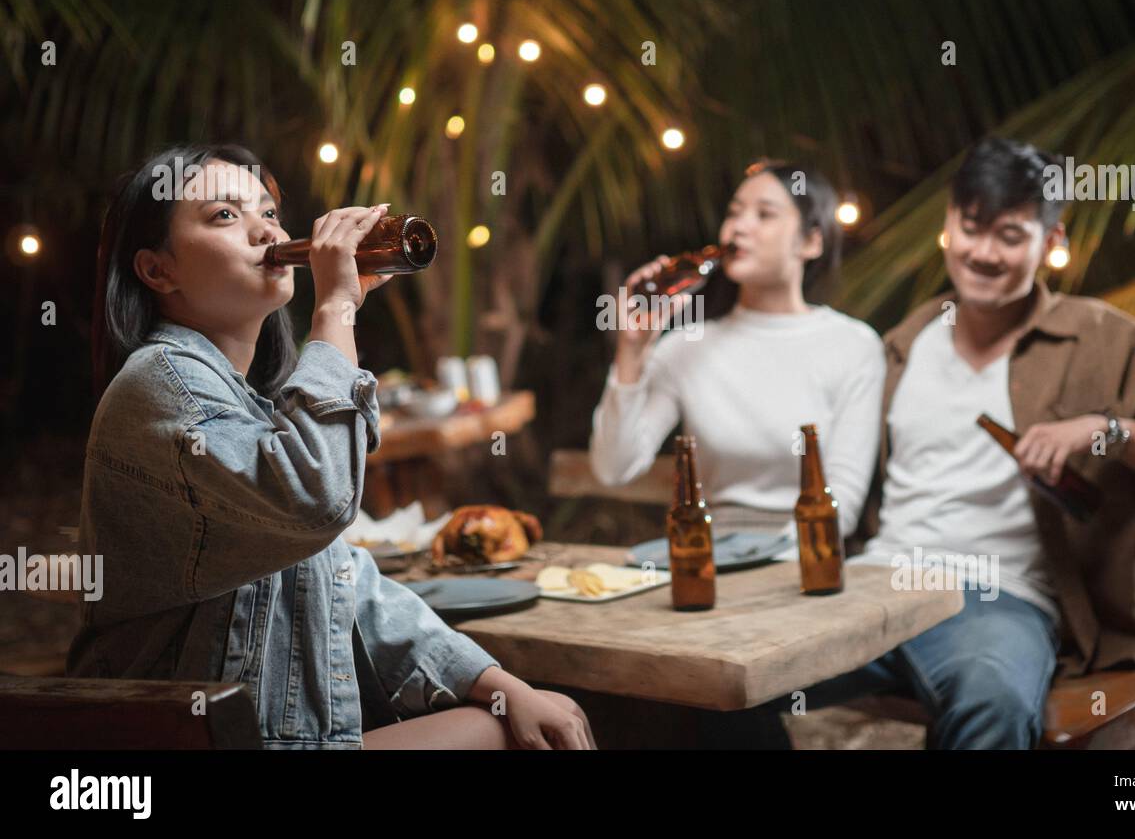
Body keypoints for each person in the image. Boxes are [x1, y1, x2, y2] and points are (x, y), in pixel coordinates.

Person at [67, 144, 595, 750]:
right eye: (224, 216)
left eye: (268, 210)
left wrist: (502, 684)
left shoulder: (245, 404)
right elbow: (316, 495)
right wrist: (337, 306)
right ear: (159, 270)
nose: (267, 230)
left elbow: (351, 584)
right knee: (506, 736)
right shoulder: (159, 383)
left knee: (534, 713)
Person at [812, 137, 1135, 749]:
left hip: (997, 597)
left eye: (1009, 235)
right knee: (719, 677)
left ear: (1051, 244)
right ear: (948, 226)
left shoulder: (1100, 336)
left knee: (993, 701)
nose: (983, 253)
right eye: (972, 227)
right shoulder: (905, 341)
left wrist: (1104, 430)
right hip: (875, 581)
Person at [590, 159, 886, 548]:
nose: (738, 227)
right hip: (709, 556)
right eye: (733, 213)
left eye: (764, 214)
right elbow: (614, 468)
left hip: (809, 558)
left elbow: (842, 502)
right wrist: (631, 350)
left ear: (812, 241)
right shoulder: (685, 347)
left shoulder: (854, 345)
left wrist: (765, 564)